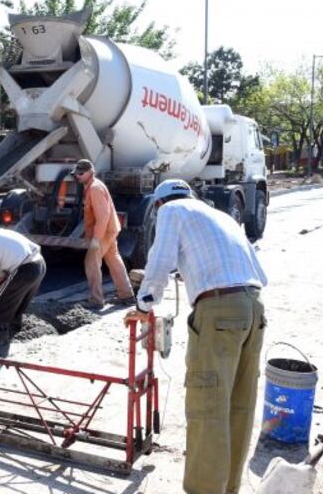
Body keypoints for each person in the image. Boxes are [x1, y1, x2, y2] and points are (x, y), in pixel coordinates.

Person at [126, 179, 267, 494]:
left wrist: (144, 304)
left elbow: (160, 262)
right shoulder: (220, 216)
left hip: (218, 311)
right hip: (254, 307)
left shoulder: (171, 210)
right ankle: (229, 488)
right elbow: (259, 273)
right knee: (240, 404)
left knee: (208, 405)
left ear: (159, 204)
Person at [71, 159, 134, 308]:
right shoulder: (93, 186)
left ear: (90, 172)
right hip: (109, 229)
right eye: (76, 173)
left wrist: (96, 239)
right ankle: (127, 295)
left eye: (81, 173)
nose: (78, 176)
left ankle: (96, 300)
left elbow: (103, 216)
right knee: (113, 260)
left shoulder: (95, 189)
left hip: (104, 231)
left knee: (91, 262)